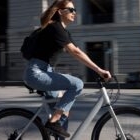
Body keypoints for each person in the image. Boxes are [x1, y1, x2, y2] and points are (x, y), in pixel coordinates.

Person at [23, 0, 111, 138]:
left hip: (46, 71)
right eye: (71, 10)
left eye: (75, 10)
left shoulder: (62, 31)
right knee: (77, 84)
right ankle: (52, 123)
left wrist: (98, 69)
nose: (74, 13)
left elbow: (78, 50)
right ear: (60, 11)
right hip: (37, 73)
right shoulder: (55, 27)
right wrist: (100, 71)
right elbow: (75, 53)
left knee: (63, 111)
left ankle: (55, 127)